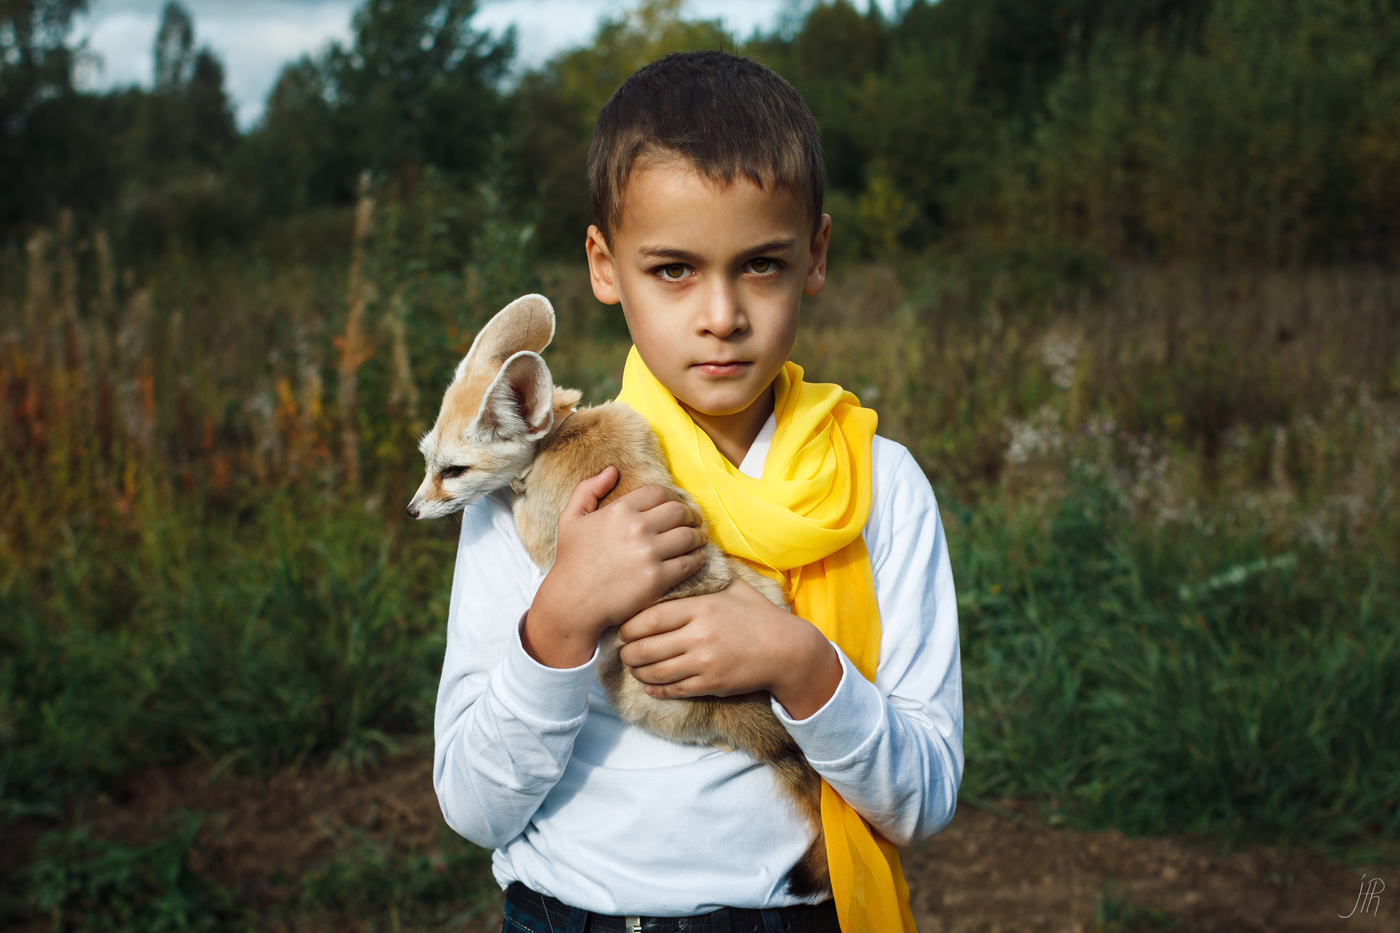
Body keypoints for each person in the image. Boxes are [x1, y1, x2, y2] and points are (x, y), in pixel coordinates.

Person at [433, 50, 962, 933]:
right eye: (673, 269)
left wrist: (800, 664)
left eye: (760, 263)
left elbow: (922, 800)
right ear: (605, 266)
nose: (721, 313)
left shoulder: (880, 486)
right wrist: (562, 617)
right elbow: (474, 806)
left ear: (815, 256)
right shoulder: (525, 491)